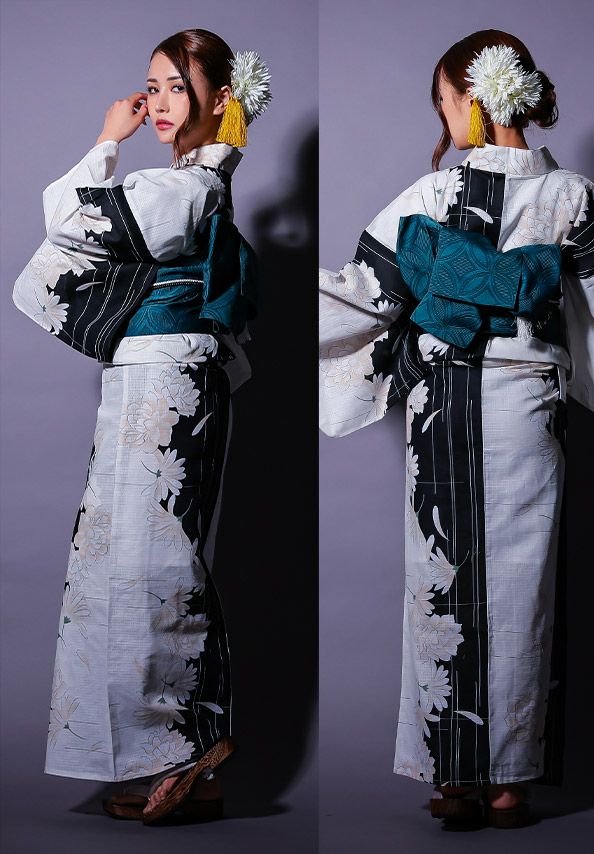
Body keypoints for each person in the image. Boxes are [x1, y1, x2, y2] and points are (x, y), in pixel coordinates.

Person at [319, 29, 594, 829]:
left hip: (445, 398)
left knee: (441, 578)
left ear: (473, 98)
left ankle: (452, 774)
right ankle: (509, 783)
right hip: (529, 402)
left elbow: (365, 292)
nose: (444, 117)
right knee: (523, 585)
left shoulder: (430, 197)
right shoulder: (573, 196)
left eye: (443, 101)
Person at [12, 28, 271, 824]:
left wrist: (105, 141)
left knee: (156, 563)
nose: (156, 103)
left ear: (220, 99)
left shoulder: (187, 188)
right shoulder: (185, 182)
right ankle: (178, 756)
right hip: (154, 374)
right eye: (150, 86)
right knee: (134, 562)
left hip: (167, 376)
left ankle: (189, 744)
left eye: (174, 87)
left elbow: (67, 220)